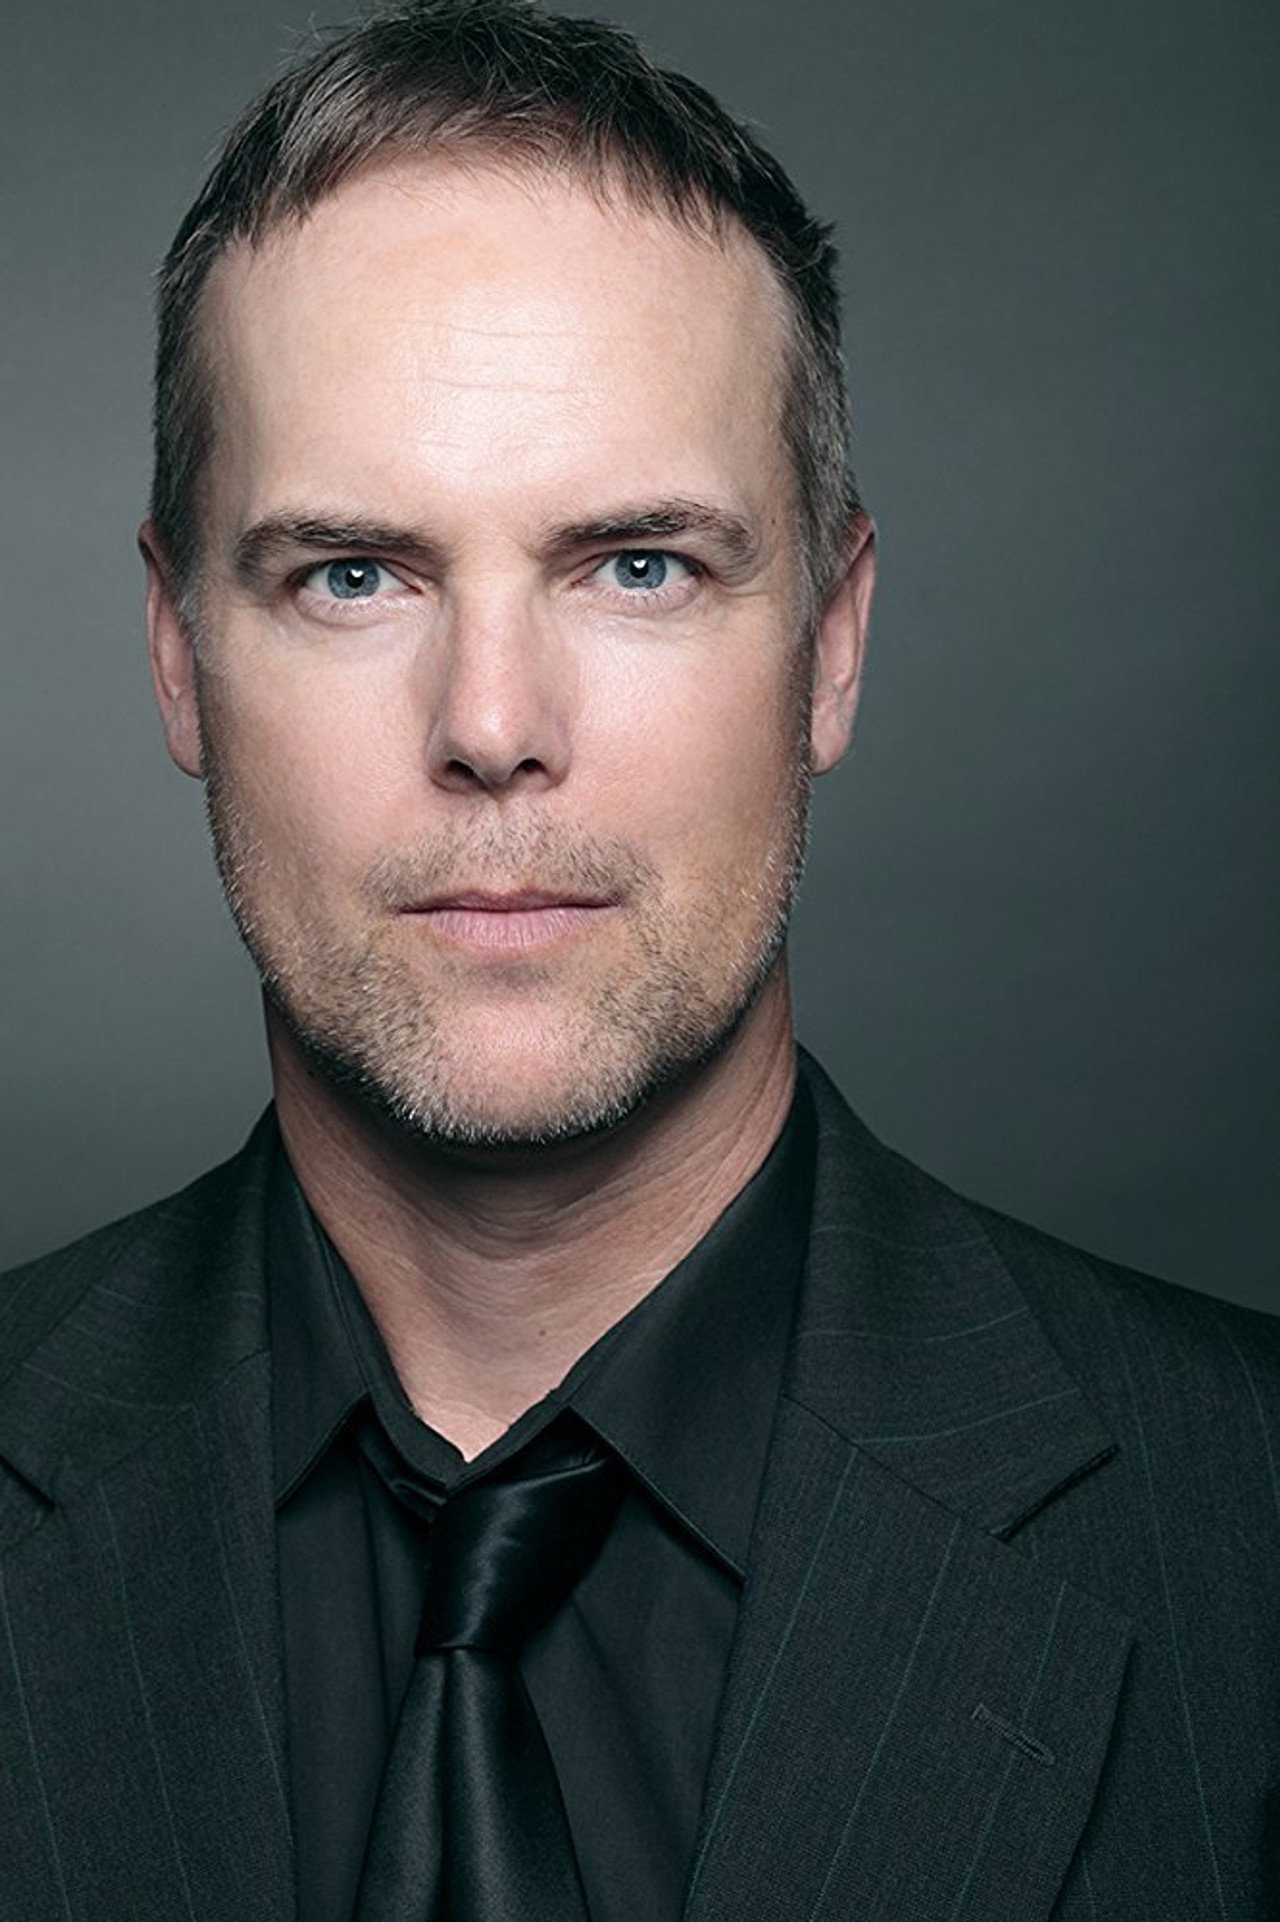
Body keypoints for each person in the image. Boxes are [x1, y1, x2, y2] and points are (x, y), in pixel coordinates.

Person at [1, 2, 1276, 1917]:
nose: (493, 724)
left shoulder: (1245, 1524)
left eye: (638, 566)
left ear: (831, 646)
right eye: (353, 574)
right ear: (181, 657)